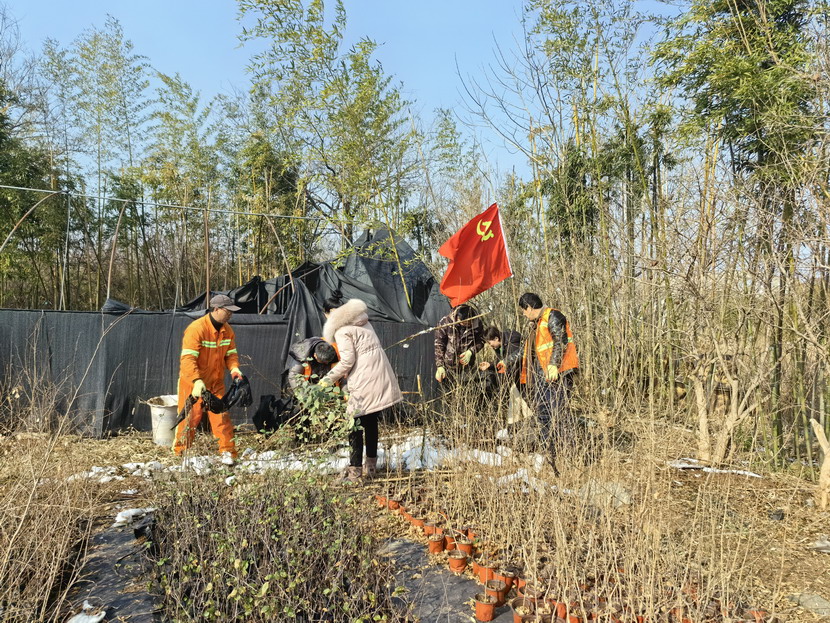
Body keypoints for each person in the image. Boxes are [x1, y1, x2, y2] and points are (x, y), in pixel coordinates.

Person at [320, 295, 402, 482]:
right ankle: (371, 468)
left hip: (363, 379)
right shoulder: (364, 321)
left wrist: (326, 381)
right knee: (371, 422)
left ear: (328, 314)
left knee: (354, 425)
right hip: (379, 375)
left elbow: (347, 361)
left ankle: (354, 473)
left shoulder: (342, 330)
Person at [174, 294, 243, 464]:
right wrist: (196, 381)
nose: (230, 314)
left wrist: (234, 369)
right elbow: (187, 359)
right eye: (227, 311)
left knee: (222, 418)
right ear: (216, 309)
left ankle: (228, 452)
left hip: (215, 383)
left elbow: (231, 354)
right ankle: (181, 454)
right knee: (189, 418)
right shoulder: (197, 329)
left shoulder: (228, 330)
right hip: (193, 384)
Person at [517, 292, 579, 455]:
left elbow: (561, 341)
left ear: (529, 307)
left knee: (558, 414)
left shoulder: (553, 316)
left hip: (559, 374)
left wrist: (554, 364)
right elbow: (528, 351)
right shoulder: (536, 325)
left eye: (523, 311)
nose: (524, 314)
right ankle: (548, 451)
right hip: (542, 376)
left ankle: (568, 452)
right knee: (543, 414)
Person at [433, 303, 485, 389]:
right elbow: (439, 344)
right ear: (458, 318)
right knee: (448, 391)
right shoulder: (446, 322)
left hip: (467, 367)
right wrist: (440, 366)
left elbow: (482, 340)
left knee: (466, 390)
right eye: (463, 323)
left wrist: (471, 351)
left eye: (468, 323)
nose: (465, 325)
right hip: (448, 366)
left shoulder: (477, 324)